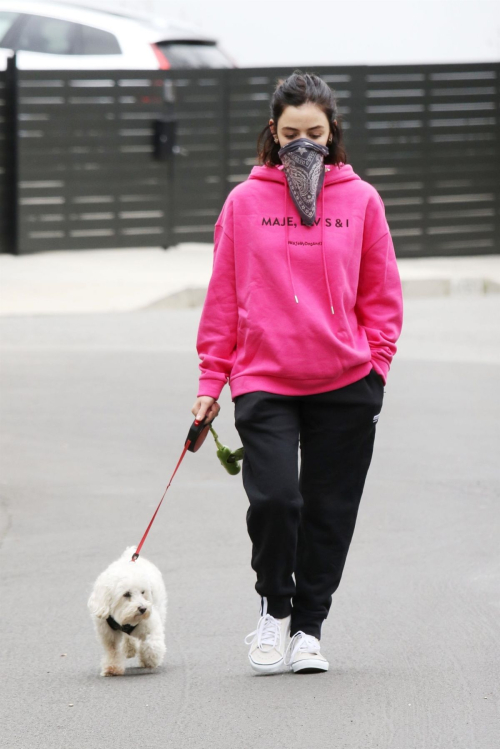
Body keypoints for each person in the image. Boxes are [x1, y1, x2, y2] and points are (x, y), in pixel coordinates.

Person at [191, 70, 403, 675]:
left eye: (315, 131)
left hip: (345, 380)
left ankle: (309, 629)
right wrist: (212, 383)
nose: (303, 144)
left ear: (332, 131)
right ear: (273, 133)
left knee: (330, 509)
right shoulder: (245, 201)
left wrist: (376, 367)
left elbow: (381, 295)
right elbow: (223, 297)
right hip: (264, 377)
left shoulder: (361, 200)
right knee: (277, 500)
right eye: (291, 134)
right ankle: (272, 611)